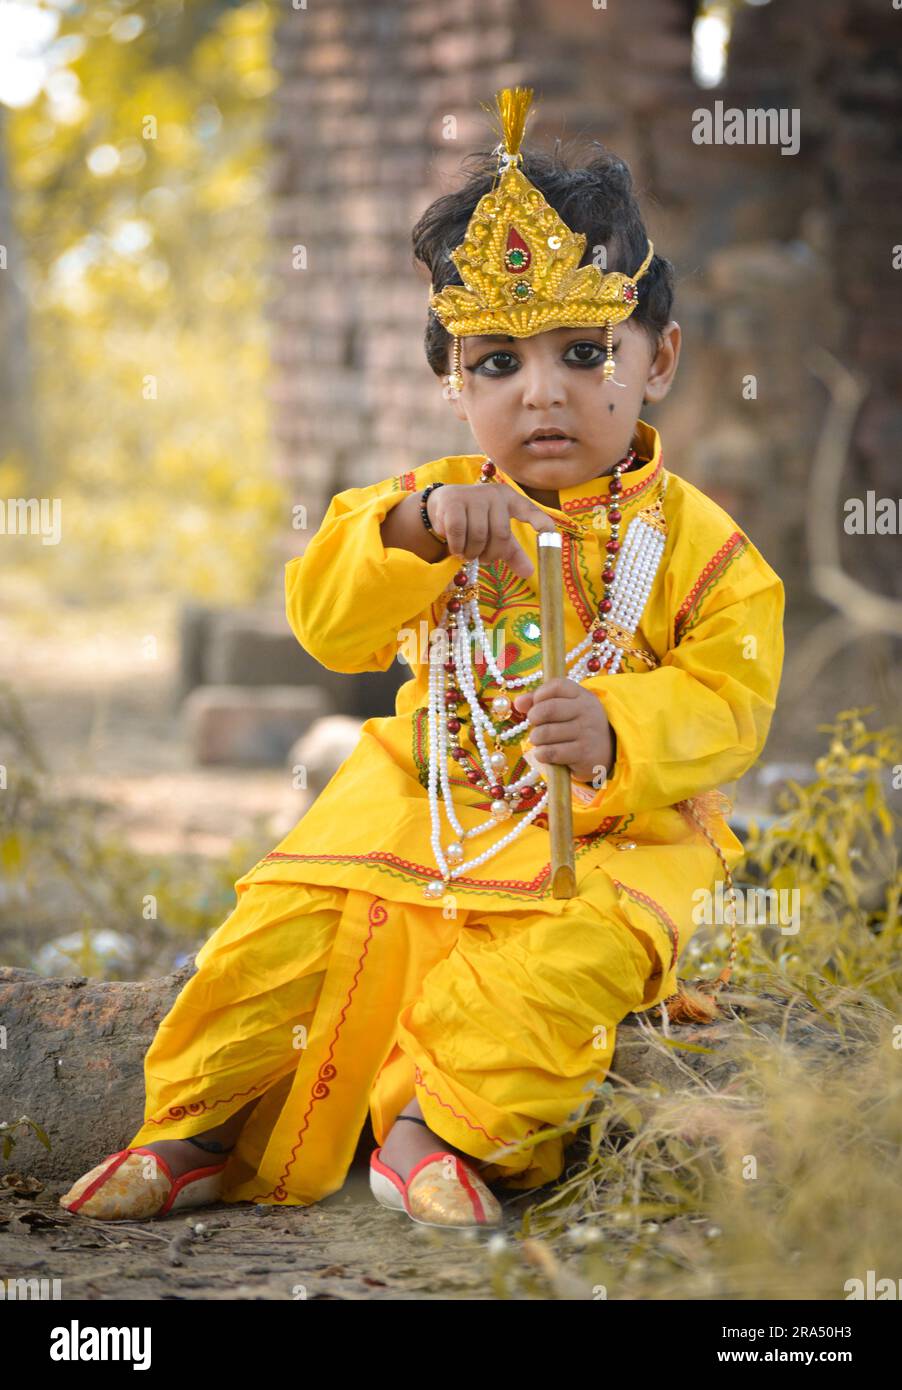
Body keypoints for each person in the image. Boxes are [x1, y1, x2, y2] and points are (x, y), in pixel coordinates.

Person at [60, 87, 784, 1229]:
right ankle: (188, 1132)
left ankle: (430, 1134)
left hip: (610, 840)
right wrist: (413, 533)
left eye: (581, 351)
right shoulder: (424, 505)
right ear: (452, 382)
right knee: (275, 936)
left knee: (564, 964)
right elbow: (328, 620)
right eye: (494, 363)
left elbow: (731, 701)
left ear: (657, 360)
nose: (538, 392)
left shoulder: (700, 548)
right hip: (416, 806)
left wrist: (617, 728)